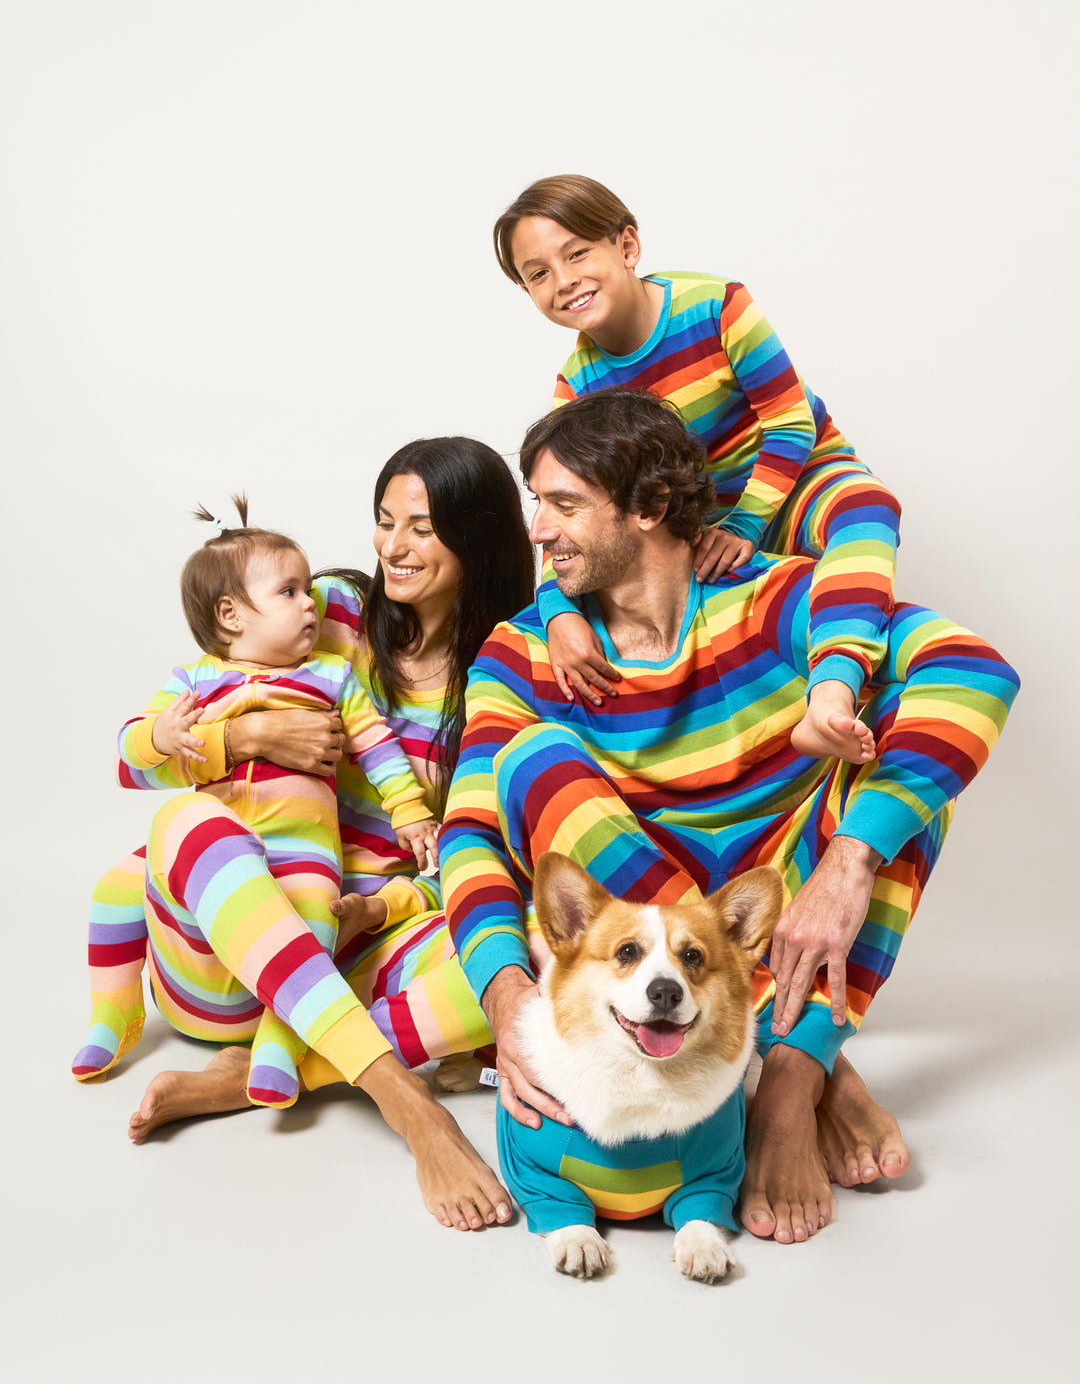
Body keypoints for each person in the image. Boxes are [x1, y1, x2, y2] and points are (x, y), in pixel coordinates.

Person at [440, 389, 1019, 1246]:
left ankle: (787, 1081)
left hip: (764, 907)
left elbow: (977, 670)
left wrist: (848, 862)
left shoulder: (773, 598)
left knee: (906, 772)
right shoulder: (523, 648)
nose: (538, 530)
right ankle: (806, 1051)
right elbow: (469, 834)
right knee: (529, 762)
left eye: (562, 505)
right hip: (642, 941)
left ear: (648, 508)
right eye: (537, 505)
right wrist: (508, 999)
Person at [72, 439, 535, 1232]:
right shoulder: (326, 612)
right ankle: (403, 1101)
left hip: (347, 945)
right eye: (385, 521)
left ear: (479, 535)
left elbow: (469, 854)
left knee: (523, 960)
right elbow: (148, 753)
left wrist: (382, 907)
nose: (393, 546)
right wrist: (246, 743)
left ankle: (272, 1070)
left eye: (422, 528)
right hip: (224, 945)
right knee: (182, 820)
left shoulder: (504, 677)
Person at [493, 173, 899, 766]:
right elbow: (567, 510)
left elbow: (789, 424)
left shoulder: (716, 305)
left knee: (869, 509)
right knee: (677, 610)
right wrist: (557, 615)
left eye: (577, 253)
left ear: (627, 247)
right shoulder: (577, 388)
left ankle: (832, 693)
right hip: (699, 520)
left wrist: (746, 525)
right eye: (538, 274)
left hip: (797, 477)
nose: (563, 280)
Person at [72, 497, 440, 1110]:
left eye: (307, 589)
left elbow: (378, 747)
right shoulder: (194, 680)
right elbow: (131, 751)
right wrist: (159, 735)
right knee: (114, 887)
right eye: (290, 592)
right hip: (213, 849)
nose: (310, 602)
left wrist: (409, 809)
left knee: (312, 915)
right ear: (231, 615)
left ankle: (279, 1041)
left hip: (300, 849)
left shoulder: (330, 676)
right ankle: (113, 1012)